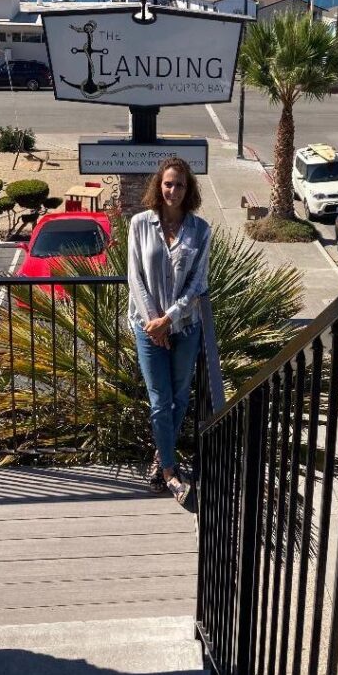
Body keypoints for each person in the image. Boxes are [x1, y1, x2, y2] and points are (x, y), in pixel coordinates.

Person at [127, 157, 211, 505]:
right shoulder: (139, 224)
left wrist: (170, 319)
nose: (172, 190)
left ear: (188, 189)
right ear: (158, 186)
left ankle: (160, 457)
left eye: (179, 184)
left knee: (179, 398)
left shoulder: (200, 230)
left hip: (185, 328)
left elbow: (198, 283)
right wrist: (154, 323)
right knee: (161, 401)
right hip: (146, 328)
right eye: (167, 183)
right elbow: (134, 276)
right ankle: (169, 471)